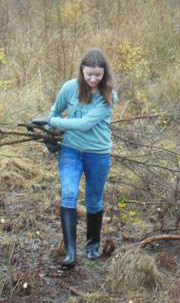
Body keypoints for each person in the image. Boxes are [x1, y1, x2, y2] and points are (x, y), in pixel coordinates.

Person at [31, 48, 117, 268]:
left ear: (104, 73)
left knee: (93, 200)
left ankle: (92, 248)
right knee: (68, 194)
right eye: (89, 74)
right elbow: (57, 110)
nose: (93, 78)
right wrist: (51, 133)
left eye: (98, 75)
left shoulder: (108, 95)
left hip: (97, 153)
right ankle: (70, 254)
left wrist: (51, 122)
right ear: (82, 70)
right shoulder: (69, 88)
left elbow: (84, 124)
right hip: (71, 150)